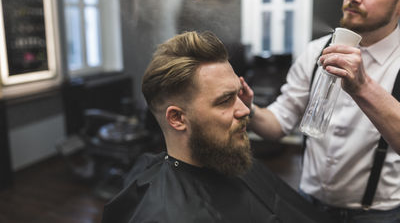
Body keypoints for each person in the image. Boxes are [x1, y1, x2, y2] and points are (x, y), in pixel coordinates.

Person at [101, 31, 334, 223]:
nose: (245, 110)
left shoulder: (227, 158)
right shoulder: (162, 214)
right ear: (177, 119)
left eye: (238, 94)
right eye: (224, 100)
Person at [239, 0, 400, 222]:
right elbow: (279, 123)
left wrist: (362, 87)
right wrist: (250, 110)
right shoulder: (316, 51)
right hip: (307, 203)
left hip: (378, 214)